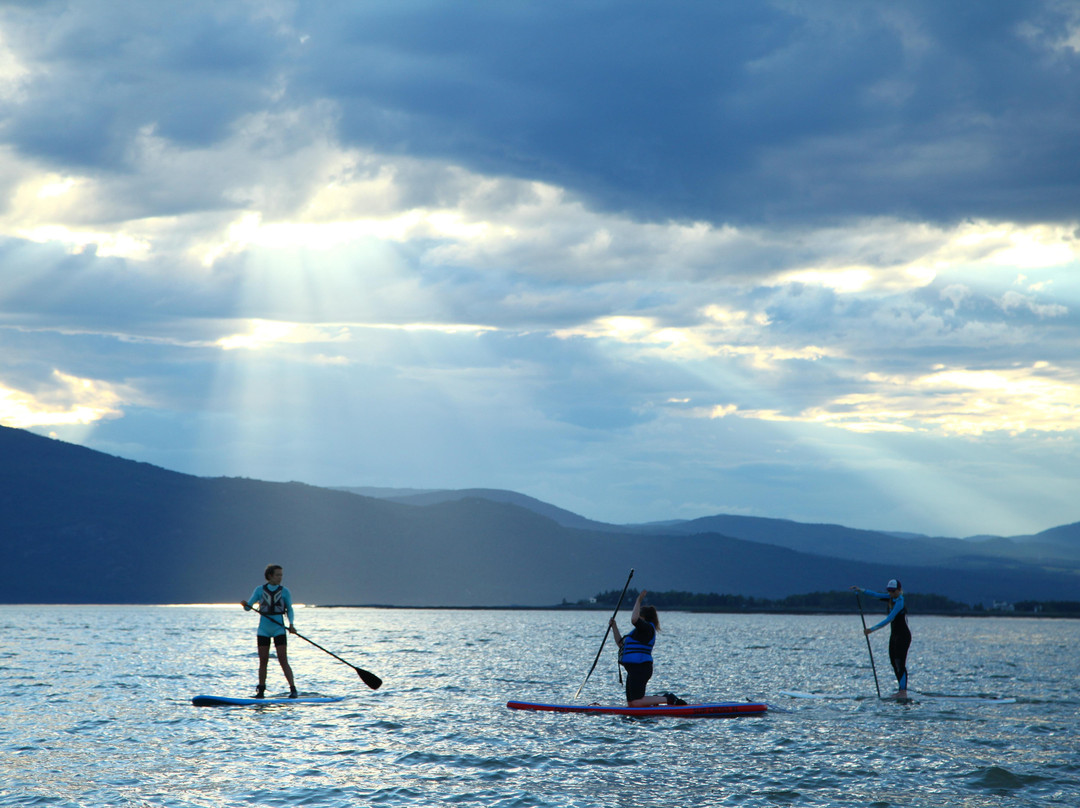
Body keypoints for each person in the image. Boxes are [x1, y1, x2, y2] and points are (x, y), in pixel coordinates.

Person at [608, 589, 687, 707]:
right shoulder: (636, 633)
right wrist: (614, 626)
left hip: (641, 668)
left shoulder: (648, 629)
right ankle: (657, 700)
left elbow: (634, 619)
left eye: (639, 615)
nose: (638, 618)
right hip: (633, 670)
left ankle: (668, 699)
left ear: (643, 617)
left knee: (636, 702)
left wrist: (638, 600)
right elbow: (620, 644)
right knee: (632, 703)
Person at [240, 564, 298, 698]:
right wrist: (245, 604)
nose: (280, 577)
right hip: (263, 630)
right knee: (263, 660)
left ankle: (293, 689)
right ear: (270, 576)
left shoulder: (285, 591)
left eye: (281, 575)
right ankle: (261, 691)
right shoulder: (259, 590)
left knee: (283, 659)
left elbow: (289, 609)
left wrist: (291, 624)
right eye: (278, 575)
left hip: (279, 629)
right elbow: (248, 608)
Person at [851, 578, 910, 699]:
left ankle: (903, 692)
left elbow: (889, 619)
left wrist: (871, 630)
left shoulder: (900, 602)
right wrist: (860, 590)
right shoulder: (891, 597)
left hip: (903, 636)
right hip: (894, 636)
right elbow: (875, 595)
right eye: (889, 591)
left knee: (900, 663)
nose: (890, 593)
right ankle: (900, 690)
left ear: (899, 590)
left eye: (893, 591)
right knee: (893, 663)